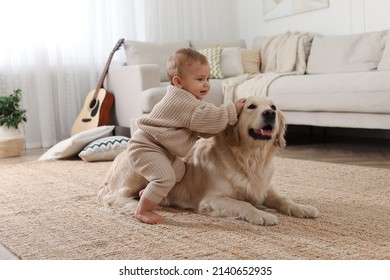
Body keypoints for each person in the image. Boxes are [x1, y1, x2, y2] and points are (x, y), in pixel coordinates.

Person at [128, 48, 246, 224]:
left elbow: (205, 129)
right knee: (165, 177)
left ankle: (148, 193)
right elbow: (208, 118)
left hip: (162, 148)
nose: (206, 84)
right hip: (145, 146)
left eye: (208, 78)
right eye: (199, 79)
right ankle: (143, 210)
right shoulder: (182, 101)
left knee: (179, 172)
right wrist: (232, 109)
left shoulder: (191, 101)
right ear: (178, 81)